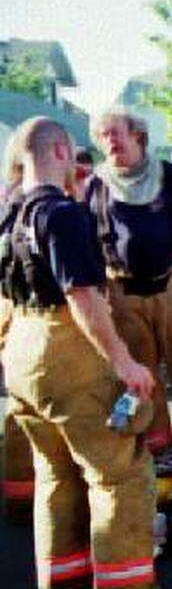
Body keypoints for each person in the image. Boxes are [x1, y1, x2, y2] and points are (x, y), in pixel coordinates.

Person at [0, 116, 172, 589]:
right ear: (63, 150)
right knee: (120, 473)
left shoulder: (9, 212)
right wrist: (124, 362)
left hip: (21, 356)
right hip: (66, 353)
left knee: (56, 474)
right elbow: (82, 296)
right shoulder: (61, 214)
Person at [85, 109, 172, 461]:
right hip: (122, 296)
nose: (110, 141)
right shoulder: (95, 185)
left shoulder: (170, 175)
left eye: (115, 132)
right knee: (139, 383)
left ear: (137, 134)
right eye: (102, 136)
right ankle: (158, 461)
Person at [1, 134, 34, 522]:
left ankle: (18, 495)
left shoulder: (8, 206)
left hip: (9, 309)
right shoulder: (40, 207)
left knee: (19, 405)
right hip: (31, 310)